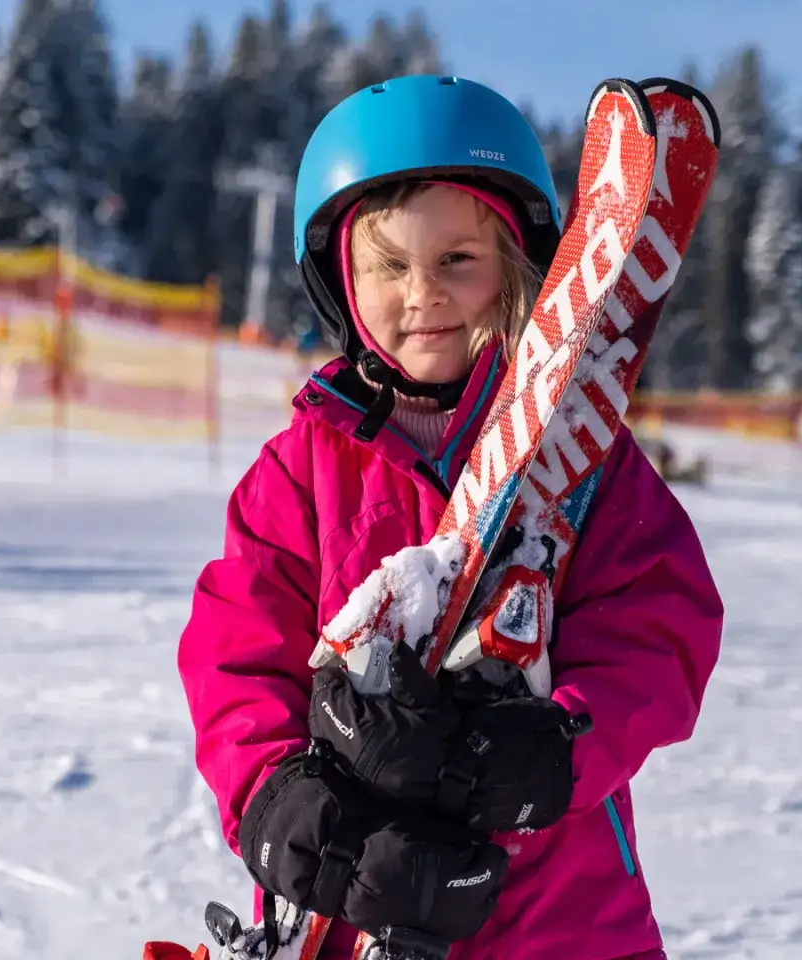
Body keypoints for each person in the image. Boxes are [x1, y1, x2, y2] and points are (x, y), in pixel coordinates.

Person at [177, 75, 724, 959]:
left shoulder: (587, 457)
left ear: (519, 269)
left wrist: (555, 749)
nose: (421, 293)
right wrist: (279, 798)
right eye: (388, 266)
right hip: (359, 890)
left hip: (565, 917)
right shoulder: (301, 470)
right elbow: (236, 656)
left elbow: (662, 624)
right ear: (341, 286)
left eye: (456, 261)